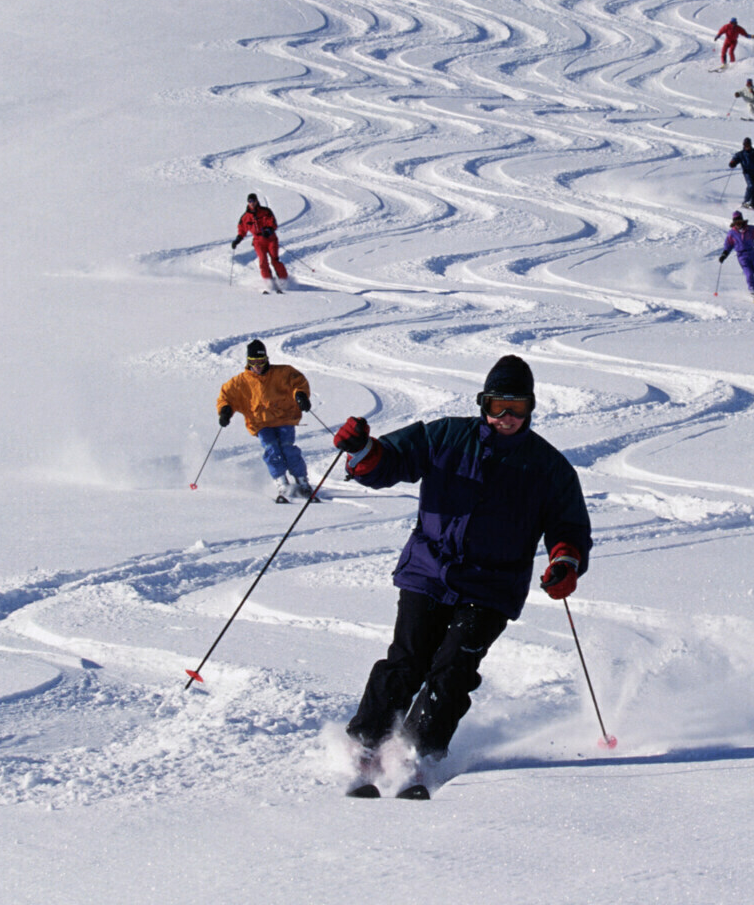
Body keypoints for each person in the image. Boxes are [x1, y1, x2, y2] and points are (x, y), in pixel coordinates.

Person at [333, 355, 592, 797]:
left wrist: (564, 563)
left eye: (517, 407)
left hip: (491, 585)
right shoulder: (446, 437)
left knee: (453, 669)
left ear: (531, 408)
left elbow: (569, 529)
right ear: (482, 404)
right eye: (498, 406)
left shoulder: (548, 468)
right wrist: (362, 452)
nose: (507, 418)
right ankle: (367, 745)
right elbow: (389, 461)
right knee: (408, 659)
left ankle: (416, 754)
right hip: (429, 569)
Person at [217, 339, 312, 501]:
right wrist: (225, 411)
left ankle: (302, 481)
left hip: (284, 418)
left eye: (261, 361)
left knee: (288, 448)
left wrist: (300, 395)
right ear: (248, 362)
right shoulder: (241, 381)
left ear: (267, 359)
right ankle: (282, 484)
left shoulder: (283, 373)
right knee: (272, 450)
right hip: (260, 423)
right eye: (253, 362)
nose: (258, 366)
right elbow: (226, 396)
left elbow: (298, 382)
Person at [718, 211, 754, 306]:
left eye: (740, 222)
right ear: (734, 223)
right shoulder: (732, 233)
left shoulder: (750, 229)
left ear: (742, 221)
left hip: (753, 253)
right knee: (749, 274)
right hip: (742, 256)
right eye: (736, 223)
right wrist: (724, 255)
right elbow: (728, 245)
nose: (739, 224)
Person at [231, 193, 289, 291]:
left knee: (275, 260)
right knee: (263, 261)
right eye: (250, 201)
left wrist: (269, 230)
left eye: (253, 201)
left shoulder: (266, 211)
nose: (252, 203)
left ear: (257, 201)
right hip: (258, 241)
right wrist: (238, 239)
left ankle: (284, 281)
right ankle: (268, 283)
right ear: (248, 202)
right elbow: (242, 230)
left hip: (271, 239)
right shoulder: (245, 217)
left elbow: (273, 223)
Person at [728, 136, 754, 210]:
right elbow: (735, 159)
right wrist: (733, 163)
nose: (747, 147)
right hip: (747, 172)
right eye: (746, 145)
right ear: (743, 145)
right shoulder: (740, 154)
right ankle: (746, 202)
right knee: (751, 186)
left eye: (748, 145)